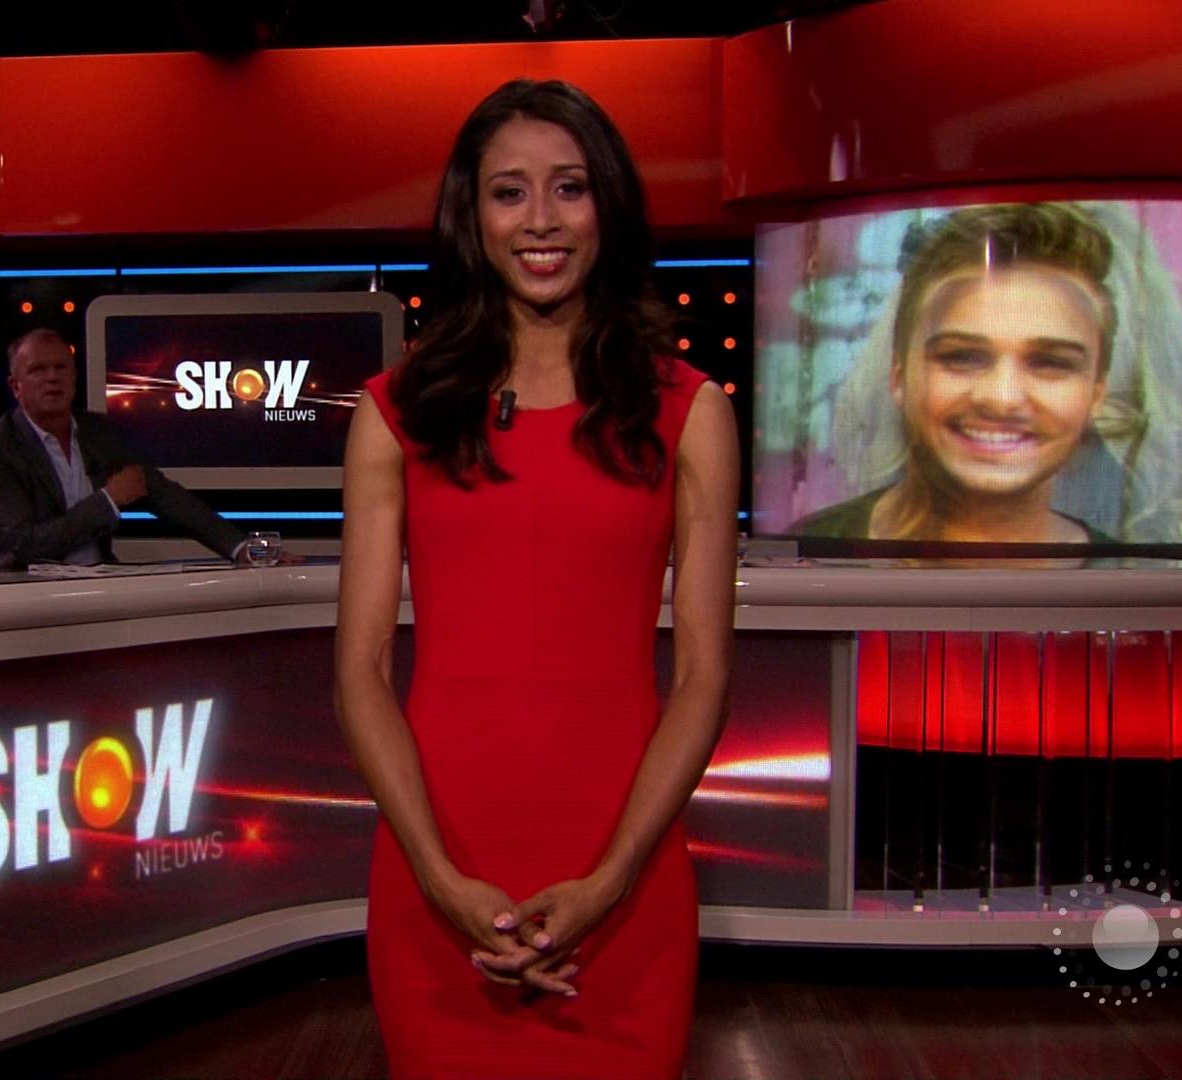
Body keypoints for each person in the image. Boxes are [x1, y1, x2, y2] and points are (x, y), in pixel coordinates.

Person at [335, 80, 737, 1079]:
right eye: (509, 192)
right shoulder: (396, 414)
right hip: (438, 870)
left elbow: (703, 676)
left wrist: (610, 881)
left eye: (571, 187)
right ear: (472, 217)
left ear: (609, 204)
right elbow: (360, 669)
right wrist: (441, 879)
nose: (542, 220)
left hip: (624, 874)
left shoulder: (690, 412)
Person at [797, 201, 1182, 543]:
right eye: (962, 357)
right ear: (898, 376)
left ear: (1097, 392)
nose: (1001, 397)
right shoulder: (812, 550)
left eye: (1050, 363)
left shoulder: (1130, 588)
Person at [0, 328, 258, 570]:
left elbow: (163, 494)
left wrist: (241, 547)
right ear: (16, 387)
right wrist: (108, 500)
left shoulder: (99, 433)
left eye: (61, 367)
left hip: (92, 586)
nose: (52, 377)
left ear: (74, 377)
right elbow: (29, 545)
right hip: (13, 591)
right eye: (38, 370)